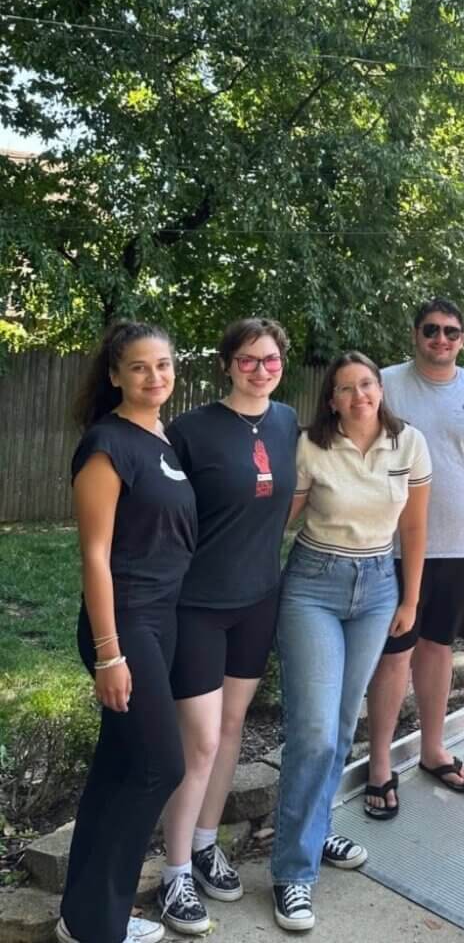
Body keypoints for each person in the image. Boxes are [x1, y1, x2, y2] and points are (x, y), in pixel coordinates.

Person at [271, 352, 430, 931]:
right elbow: (278, 520)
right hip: (314, 585)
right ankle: (293, 873)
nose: (360, 395)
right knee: (312, 730)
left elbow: (414, 526)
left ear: (379, 390)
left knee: (340, 726)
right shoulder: (312, 445)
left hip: (379, 587)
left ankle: (315, 832)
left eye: (368, 385)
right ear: (332, 399)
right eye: (347, 388)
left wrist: (410, 599)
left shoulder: (408, 442)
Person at [156, 319, 300, 933]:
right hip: (198, 604)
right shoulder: (190, 430)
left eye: (270, 360)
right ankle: (175, 873)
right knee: (201, 742)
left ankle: (208, 842)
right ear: (227, 364)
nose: (260, 369)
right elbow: (159, 512)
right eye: (248, 360)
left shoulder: (289, 422)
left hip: (259, 599)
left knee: (235, 728)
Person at [58, 321, 196, 943]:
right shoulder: (106, 445)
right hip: (126, 625)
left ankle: (85, 918)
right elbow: (95, 555)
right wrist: (110, 654)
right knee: (157, 768)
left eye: (163, 365)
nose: (154, 377)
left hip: (160, 624)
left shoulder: (161, 439)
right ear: (115, 374)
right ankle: (98, 924)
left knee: (117, 768)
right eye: (139, 367)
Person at [365, 298, 464, 818]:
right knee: (394, 655)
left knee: (439, 648)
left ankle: (432, 749)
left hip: (463, 549)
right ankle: (380, 764)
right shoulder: (383, 385)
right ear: (415, 334)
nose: (441, 339)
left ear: (463, 338)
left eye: (451, 331)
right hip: (395, 549)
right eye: (432, 330)